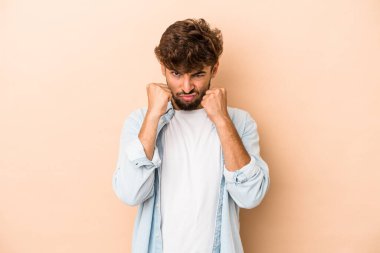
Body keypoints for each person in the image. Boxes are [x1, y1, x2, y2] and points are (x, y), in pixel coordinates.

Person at [112, 18, 270, 253]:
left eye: (197, 74)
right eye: (176, 74)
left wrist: (221, 120)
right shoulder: (140, 122)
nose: (186, 87)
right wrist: (154, 114)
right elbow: (130, 193)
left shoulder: (239, 122)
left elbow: (250, 197)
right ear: (163, 67)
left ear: (214, 69)